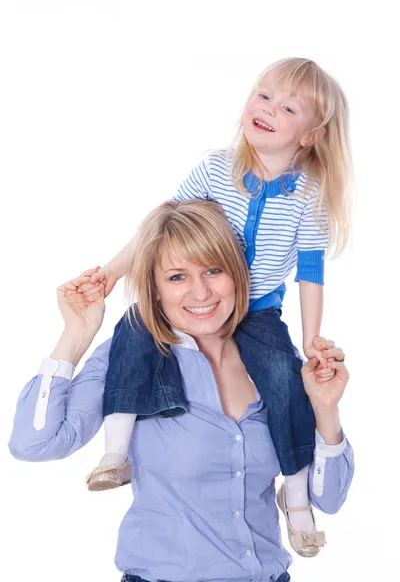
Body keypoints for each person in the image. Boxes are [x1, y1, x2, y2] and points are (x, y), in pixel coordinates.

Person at [84, 57, 353, 549]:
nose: (268, 108)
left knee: (284, 380)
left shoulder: (309, 198)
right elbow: (159, 230)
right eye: (264, 94)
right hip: (199, 299)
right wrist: (109, 273)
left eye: (288, 106)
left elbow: (311, 274)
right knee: (135, 327)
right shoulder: (215, 168)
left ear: (311, 135)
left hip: (258, 308)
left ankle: (295, 494)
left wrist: (314, 337)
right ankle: (116, 449)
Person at [9, 200, 353, 580]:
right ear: (154, 289)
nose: (201, 292)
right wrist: (76, 335)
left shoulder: (274, 360)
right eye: (177, 277)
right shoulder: (129, 357)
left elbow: (329, 499)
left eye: (213, 270)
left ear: (237, 273)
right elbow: (33, 444)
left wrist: (325, 410)